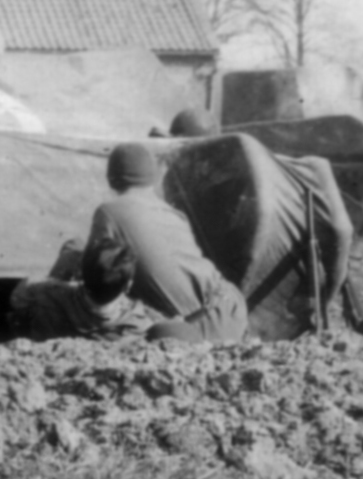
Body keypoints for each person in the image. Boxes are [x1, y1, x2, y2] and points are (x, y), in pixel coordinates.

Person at [84, 141, 249, 344]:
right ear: (151, 179)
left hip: (189, 329)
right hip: (230, 308)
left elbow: (95, 274)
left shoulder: (108, 212)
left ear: (112, 180)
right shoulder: (173, 213)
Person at [8, 235, 152, 341]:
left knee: (74, 245)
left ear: (80, 274)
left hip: (52, 324)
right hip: (106, 331)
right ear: (128, 286)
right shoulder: (136, 323)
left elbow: (17, 298)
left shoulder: (45, 293)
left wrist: (60, 283)